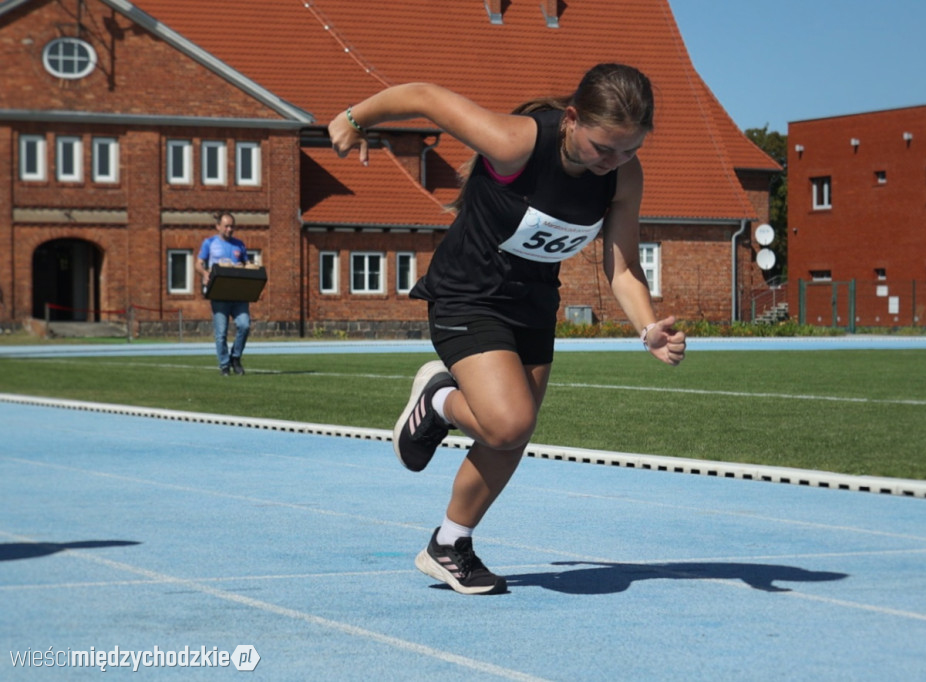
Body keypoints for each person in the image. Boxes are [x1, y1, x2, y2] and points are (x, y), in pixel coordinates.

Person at [328, 63, 687, 595]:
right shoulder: (518, 142)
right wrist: (354, 117)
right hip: (466, 293)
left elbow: (623, 267)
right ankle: (440, 402)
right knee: (509, 422)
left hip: (534, 305)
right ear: (571, 120)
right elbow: (427, 93)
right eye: (602, 147)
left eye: (629, 150)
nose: (612, 162)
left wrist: (647, 328)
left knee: (511, 437)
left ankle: (449, 544)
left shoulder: (622, 178)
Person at [196, 211, 251, 377]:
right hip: (219, 294)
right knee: (221, 333)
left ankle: (235, 357)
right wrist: (205, 274)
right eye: (226, 226)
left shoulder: (240, 245)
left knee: (244, 325)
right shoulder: (209, 243)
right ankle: (224, 365)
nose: (229, 229)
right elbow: (198, 264)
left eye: (232, 226)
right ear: (218, 226)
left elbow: (247, 263)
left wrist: (250, 268)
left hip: (238, 294)